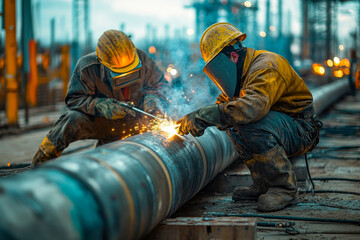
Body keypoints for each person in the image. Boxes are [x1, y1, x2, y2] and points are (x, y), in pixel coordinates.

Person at [176, 22, 322, 212]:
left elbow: (253, 108)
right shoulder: (243, 72)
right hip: (284, 125)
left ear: (233, 57)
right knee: (231, 120)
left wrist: (205, 116)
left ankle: (284, 188)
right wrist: (198, 116)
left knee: (249, 121)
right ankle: (262, 183)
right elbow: (224, 106)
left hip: (301, 129)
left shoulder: (265, 66)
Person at [32, 30, 169, 167]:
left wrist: (153, 98)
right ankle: (41, 162)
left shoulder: (143, 60)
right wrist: (100, 105)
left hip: (140, 121)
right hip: (107, 122)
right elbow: (74, 99)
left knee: (166, 119)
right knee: (71, 119)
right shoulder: (87, 67)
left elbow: (162, 86)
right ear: (102, 62)